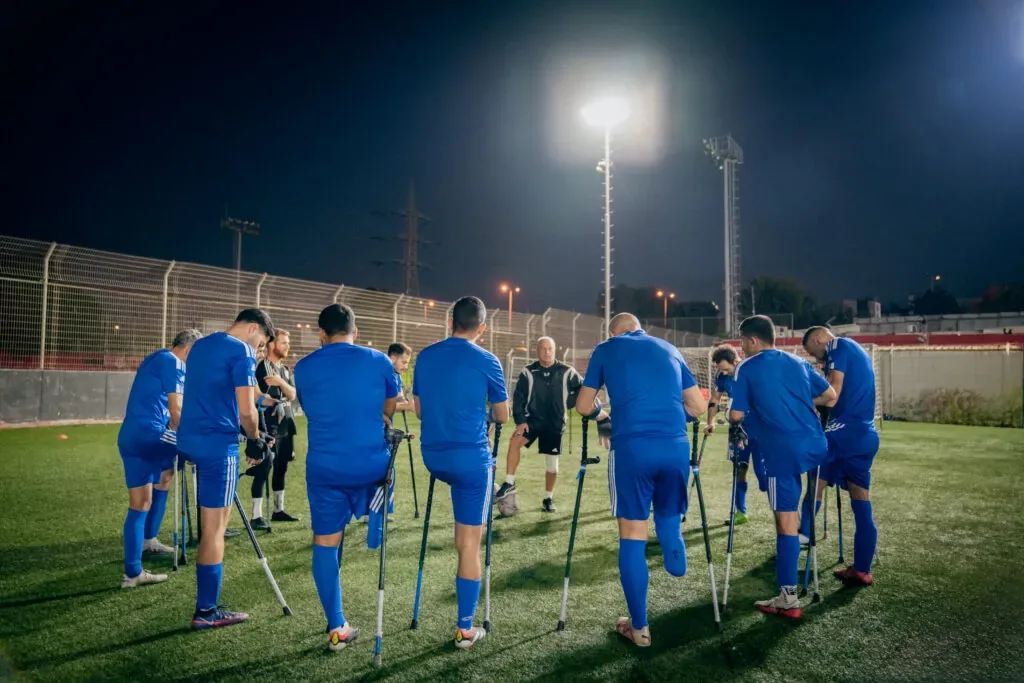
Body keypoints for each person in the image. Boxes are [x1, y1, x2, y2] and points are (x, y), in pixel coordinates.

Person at [575, 313, 707, 647]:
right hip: (675, 446)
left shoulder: (606, 349)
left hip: (632, 448)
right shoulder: (669, 348)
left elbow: (583, 405)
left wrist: (603, 414)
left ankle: (640, 628)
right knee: (668, 517)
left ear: (613, 332)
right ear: (640, 328)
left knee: (633, 534)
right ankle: (675, 555)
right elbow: (697, 406)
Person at [294, 304, 399, 651]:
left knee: (325, 543)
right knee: (386, 476)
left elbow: (308, 407)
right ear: (355, 332)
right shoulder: (379, 360)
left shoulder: (303, 367)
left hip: (325, 467)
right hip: (371, 465)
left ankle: (337, 626)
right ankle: (375, 522)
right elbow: (389, 407)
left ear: (322, 334)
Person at [412, 296, 508, 649]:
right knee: (469, 544)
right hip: (470, 461)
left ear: (450, 322)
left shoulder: (425, 356)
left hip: (433, 457)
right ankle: (465, 629)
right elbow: (503, 415)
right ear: (482, 327)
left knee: (465, 534)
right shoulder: (488, 360)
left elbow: (419, 410)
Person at [727, 315, 836, 619]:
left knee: (785, 523)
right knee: (808, 499)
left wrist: (733, 415)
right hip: (815, 444)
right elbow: (830, 396)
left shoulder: (747, 367)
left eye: (742, 340)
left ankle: (788, 598)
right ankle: (806, 564)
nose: (741, 346)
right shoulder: (798, 362)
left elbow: (736, 415)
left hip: (782, 450)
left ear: (753, 340)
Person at [178, 308, 275, 630]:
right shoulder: (242, 351)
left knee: (211, 524)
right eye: (261, 342)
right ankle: (206, 611)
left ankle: (207, 605)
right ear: (253, 328)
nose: (259, 350)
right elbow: (247, 411)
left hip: (190, 439)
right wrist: (255, 440)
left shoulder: (200, 346)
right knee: (215, 529)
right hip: (218, 445)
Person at [117, 329, 201, 588]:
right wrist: (190, 443)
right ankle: (151, 542)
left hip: (130, 437)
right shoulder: (174, 362)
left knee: (142, 501)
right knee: (201, 452)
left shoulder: (155, 358)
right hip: (151, 434)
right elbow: (176, 409)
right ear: (189, 350)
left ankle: (135, 568)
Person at [802, 327, 880, 586]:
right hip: (865, 435)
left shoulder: (837, 345)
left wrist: (801, 401)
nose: (817, 359)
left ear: (818, 339)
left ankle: (802, 537)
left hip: (840, 434)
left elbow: (832, 396)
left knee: (815, 483)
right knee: (861, 502)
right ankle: (862, 569)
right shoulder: (857, 351)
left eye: (814, 352)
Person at [494, 336, 590, 513]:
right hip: (532, 421)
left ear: (554, 350)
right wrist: (521, 421)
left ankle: (547, 498)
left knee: (552, 466)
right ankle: (509, 482)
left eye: (550, 348)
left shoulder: (567, 371)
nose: (547, 352)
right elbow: (519, 397)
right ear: (537, 351)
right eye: (543, 348)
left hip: (554, 424)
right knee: (515, 441)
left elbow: (582, 389)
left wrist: (570, 402)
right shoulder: (528, 372)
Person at [705, 345, 766, 525]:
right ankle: (740, 511)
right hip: (737, 430)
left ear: (735, 361)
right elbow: (714, 399)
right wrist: (710, 422)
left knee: (763, 476)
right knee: (739, 470)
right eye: (720, 369)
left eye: (726, 368)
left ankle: (784, 513)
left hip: (759, 430)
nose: (723, 372)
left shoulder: (750, 371)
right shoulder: (721, 377)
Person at [250, 329, 300, 531]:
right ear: (272, 344)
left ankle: (278, 510)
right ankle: (256, 515)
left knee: (282, 467)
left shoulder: (284, 369)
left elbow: (293, 394)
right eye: (283, 342)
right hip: (269, 426)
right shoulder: (263, 368)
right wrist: (281, 394)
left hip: (286, 425)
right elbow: (263, 398)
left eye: (288, 342)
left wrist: (280, 383)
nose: (287, 346)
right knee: (264, 467)